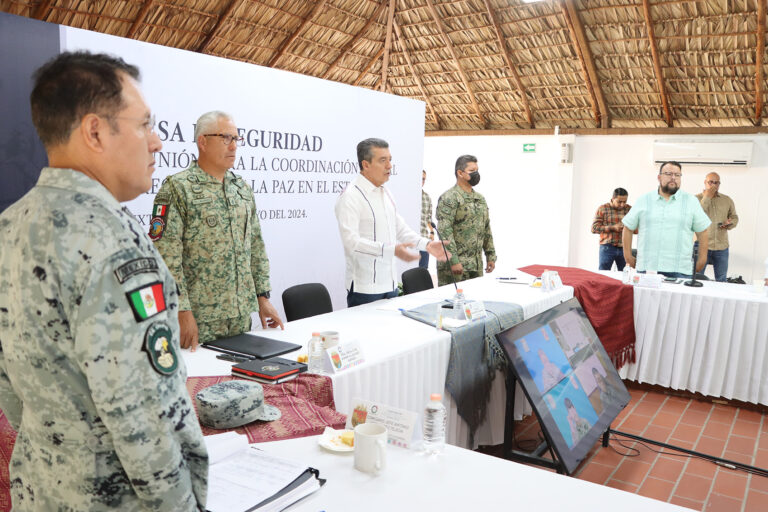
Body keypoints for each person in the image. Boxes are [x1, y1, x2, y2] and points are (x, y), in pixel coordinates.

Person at [0, 51, 207, 510]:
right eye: (144, 125)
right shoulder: (114, 243)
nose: (155, 143)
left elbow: (9, 385)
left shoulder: (9, 226)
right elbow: (148, 419)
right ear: (95, 131)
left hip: (42, 490)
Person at [151, 111, 283, 350]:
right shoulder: (178, 189)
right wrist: (182, 311)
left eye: (236, 139)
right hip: (198, 320)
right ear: (202, 141)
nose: (233, 146)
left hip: (240, 317)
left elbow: (255, 247)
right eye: (225, 138)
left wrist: (262, 298)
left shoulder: (241, 189)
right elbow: (166, 258)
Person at [335, 138, 449, 307]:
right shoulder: (350, 196)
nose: (389, 166)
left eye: (390, 160)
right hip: (365, 288)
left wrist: (427, 245)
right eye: (383, 160)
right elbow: (351, 242)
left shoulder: (385, 192)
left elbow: (401, 229)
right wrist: (390, 250)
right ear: (366, 165)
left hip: (390, 284)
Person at [621, 161, 711, 278]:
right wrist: (627, 256)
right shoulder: (644, 200)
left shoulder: (691, 201)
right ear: (659, 177)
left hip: (680, 270)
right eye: (668, 174)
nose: (673, 178)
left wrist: (702, 260)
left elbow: (702, 231)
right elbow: (628, 227)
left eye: (677, 175)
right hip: (647, 268)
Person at [436, 155, 496, 286]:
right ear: (460, 173)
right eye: (472, 171)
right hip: (455, 267)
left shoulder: (480, 198)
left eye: (477, 170)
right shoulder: (449, 198)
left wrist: (490, 255)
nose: (476, 174)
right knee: (453, 304)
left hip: (475, 265)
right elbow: (444, 232)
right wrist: (453, 261)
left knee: (474, 304)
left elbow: (486, 228)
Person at [695, 172, 738, 282]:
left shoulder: (726, 200)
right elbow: (696, 215)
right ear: (705, 182)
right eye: (711, 182)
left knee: (721, 279)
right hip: (702, 246)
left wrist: (730, 223)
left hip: (722, 247)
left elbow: (734, 217)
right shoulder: (696, 199)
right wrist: (707, 197)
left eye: (716, 182)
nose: (714, 185)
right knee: (698, 278)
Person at [591, 187, 631, 270]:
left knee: (625, 276)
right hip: (607, 247)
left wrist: (628, 228)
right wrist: (613, 228)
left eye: (624, 202)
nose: (622, 204)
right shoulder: (602, 208)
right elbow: (594, 228)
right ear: (613, 199)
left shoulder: (629, 209)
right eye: (619, 202)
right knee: (603, 275)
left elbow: (636, 229)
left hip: (624, 248)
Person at [419, 170, 435, 269]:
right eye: (420, 178)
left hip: (424, 241)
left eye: (424, 179)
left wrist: (432, 232)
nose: (422, 181)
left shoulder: (427, 197)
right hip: (409, 241)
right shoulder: (407, 196)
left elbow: (429, 219)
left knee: (422, 271)